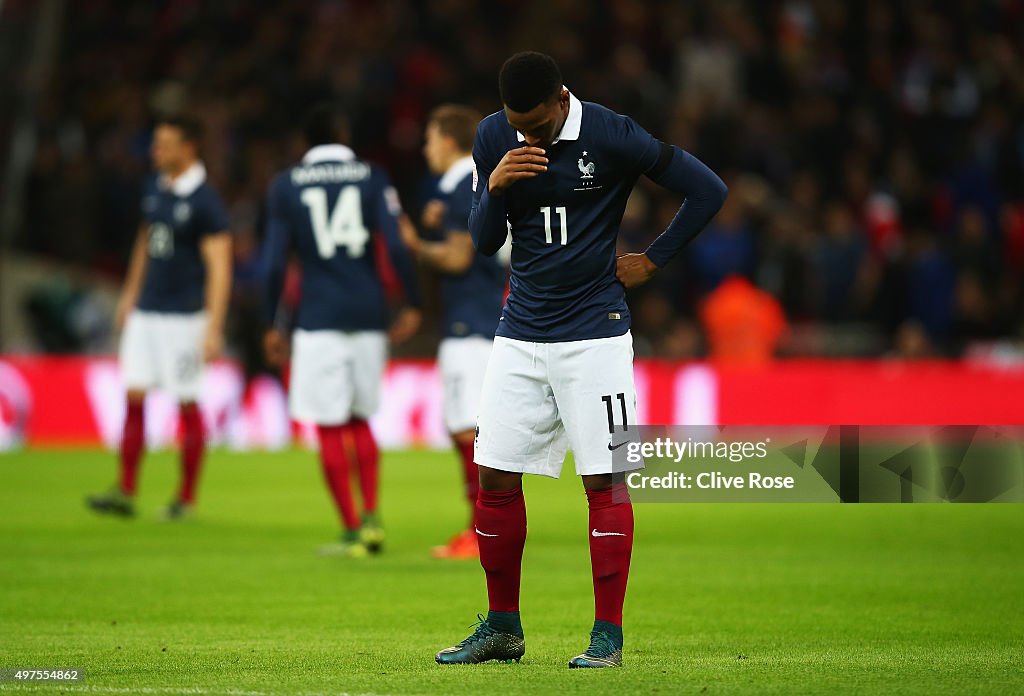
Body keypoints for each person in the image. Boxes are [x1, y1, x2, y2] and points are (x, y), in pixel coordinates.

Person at [434, 52, 727, 668]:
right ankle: (503, 629)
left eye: (537, 127)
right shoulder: (493, 136)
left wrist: (653, 258)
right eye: (519, 127)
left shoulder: (612, 134)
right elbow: (484, 240)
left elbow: (707, 190)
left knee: (605, 481)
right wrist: (494, 185)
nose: (528, 138)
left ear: (562, 99)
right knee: (492, 476)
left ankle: (607, 638)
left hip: (596, 336)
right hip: (519, 334)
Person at [262, 104, 421, 558]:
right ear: (344, 134)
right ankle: (373, 517)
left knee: (329, 424)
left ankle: (352, 529)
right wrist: (411, 300)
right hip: (369, 313)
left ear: (304, 143)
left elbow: (275, 261)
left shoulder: (286, 184)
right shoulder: (372, 176)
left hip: (317, 315)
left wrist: (272, 321)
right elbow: (393, 241)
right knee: (360, 417)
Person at [87, 115, 232, 520]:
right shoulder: (154, 187)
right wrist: (129, 295)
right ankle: (126, 489)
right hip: (147, 312)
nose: (156, 152)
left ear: (190, 149)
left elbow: (220, 266)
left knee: (187, 402)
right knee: (134, 395)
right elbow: (145, 241)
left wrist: (214, 326)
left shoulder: (206, 201)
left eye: (166, 144)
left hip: (184, 319)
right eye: (156, 144)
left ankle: (185, 498)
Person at [401, 105, 508, 560]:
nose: (426, 148)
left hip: (472, 324)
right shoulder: (466, 185)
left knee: (469, 429)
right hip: (476, 320)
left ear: (447, 140)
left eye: (429, 138)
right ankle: (484, 526)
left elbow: (460, 258)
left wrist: (413, 244)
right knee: (467, 428)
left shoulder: (462, 188)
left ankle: (481, 530)